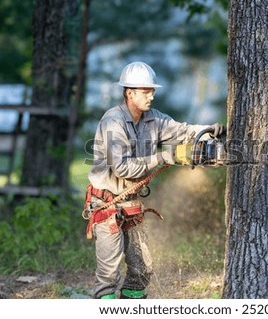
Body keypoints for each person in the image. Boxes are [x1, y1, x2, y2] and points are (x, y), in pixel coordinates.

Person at [85, 61, 224, 299]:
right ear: (129, 93)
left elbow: (182, 130)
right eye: (145, 91)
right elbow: (122, 167)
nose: (151, 96)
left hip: (131, 203)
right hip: (107, 204)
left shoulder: (154, 119)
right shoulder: (113, 122)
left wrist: (209, 129)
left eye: (152, 91)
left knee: (142, 270)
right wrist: (164, 155)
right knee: (108, 276)